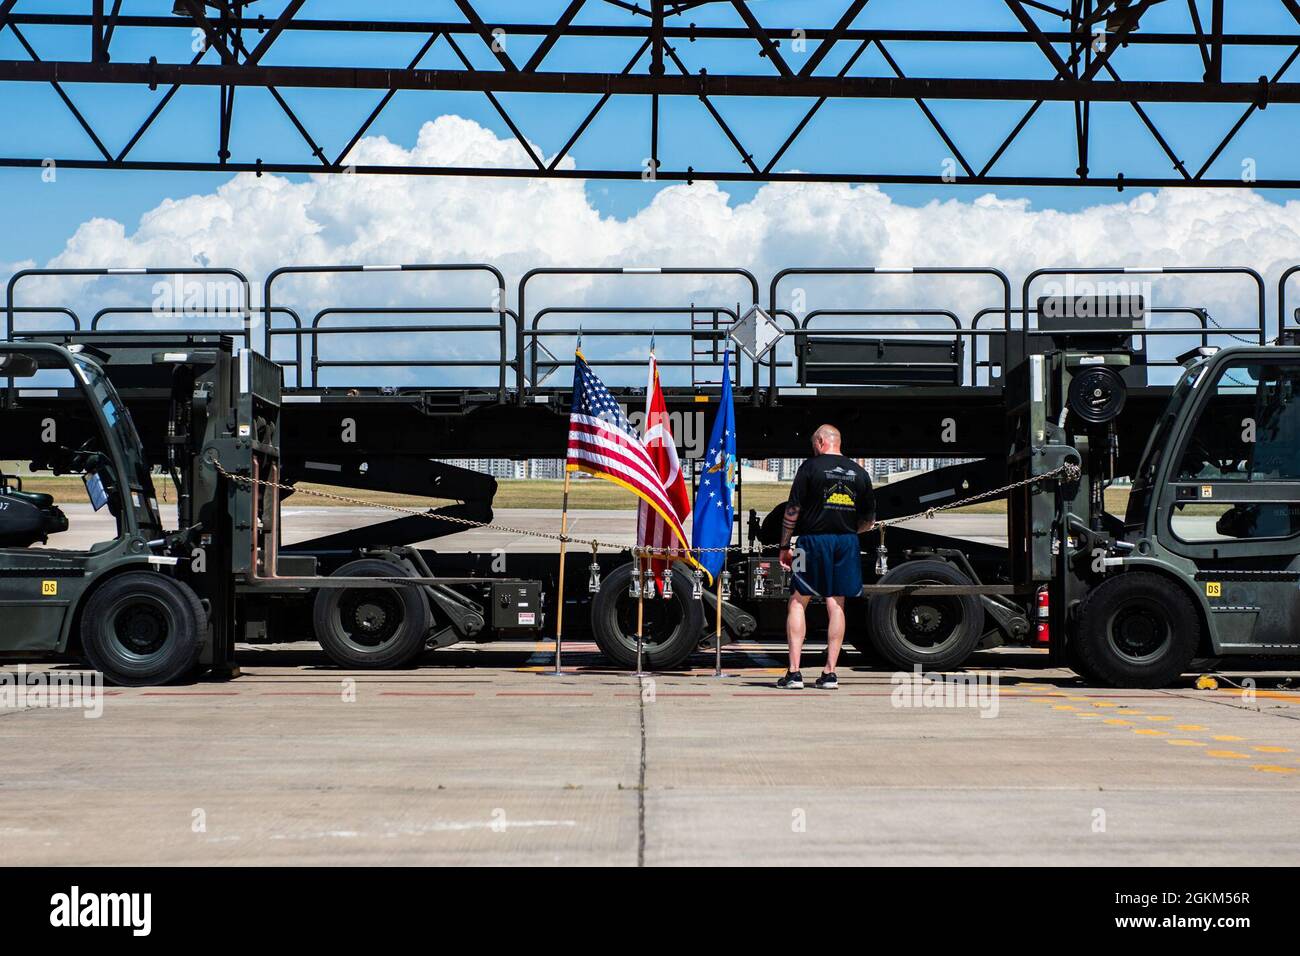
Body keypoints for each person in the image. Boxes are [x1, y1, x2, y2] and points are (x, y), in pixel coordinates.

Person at [776, 424, 875, 689]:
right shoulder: (861, 472)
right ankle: (830, 673)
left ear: (821, 442)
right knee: (837, 603)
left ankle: (794, 673)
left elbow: (793, 509)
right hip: (847, 542)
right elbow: (869, 520)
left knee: (798, 600)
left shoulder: (810, 467)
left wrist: (785, 546)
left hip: (809, 542)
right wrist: (849, 530)